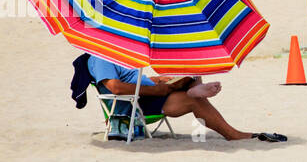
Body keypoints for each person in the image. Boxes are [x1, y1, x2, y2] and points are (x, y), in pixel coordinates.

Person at [85, 55, 285, 143]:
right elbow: (116, 87)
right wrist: (159, 90)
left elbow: (131, 78)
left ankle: (193, 86)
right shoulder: (100, 58)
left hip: (148, 91)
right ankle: (231, 133)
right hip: (136, 103)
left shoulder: (118, 55)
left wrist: (157, 80)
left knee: (189, 69)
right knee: (194, 100)